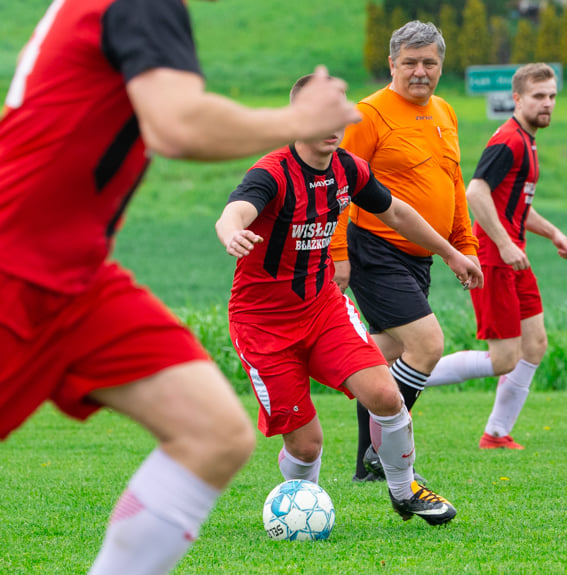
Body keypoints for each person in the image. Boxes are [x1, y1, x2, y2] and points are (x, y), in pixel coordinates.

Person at [0, 1, 360, 573]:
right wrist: (297, 121)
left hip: (76, 276)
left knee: (215, 433)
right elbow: (176, 125)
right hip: (15, 267)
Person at [215, 74, 481, 525]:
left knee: (385, 394)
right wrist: (231, 232)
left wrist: (451, 252)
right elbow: (236, 209)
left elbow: (395, 211)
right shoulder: (273, 173)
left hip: (323, 309)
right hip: (262, 323)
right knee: (306, 444)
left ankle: (404, 490)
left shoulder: (349, 167)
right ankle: (305, 508)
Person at [329, 21, 481, 482]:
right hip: (375, 249)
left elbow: (453, 183)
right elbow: (337, 185)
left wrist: (465, 244)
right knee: (427, 344)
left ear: (441, 65)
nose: (420, 71)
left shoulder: (446, 112)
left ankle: (366, 463)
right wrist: (338, 254)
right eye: (410, 63)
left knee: (385, 355)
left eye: (429, 63)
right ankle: (389, 439)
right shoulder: (369, 114)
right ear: (392, 64)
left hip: (421, 258)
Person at [423, 63, 567, 450]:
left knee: (535, 344)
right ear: (518, 99)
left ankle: (496, 433)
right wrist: (506, 243)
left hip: (513, 255)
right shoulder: (509, 140)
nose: (547, 104)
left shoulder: (528, 140)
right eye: (539, 96)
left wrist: (552, 232)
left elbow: (514, 206)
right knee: (504, 358)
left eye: (552, 96)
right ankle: (402, 376)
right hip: (493, 256)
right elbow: (476, 192)